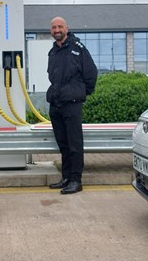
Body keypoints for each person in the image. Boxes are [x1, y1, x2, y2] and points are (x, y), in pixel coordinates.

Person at [46, 17, 98, 194]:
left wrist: (80, 93)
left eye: (60, 26)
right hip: (56, 104)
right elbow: (52, 76)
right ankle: (66, 177)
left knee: (75, 144)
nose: (57, 29)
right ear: (51, 31)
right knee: (64, 144)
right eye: (54, 27)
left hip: (72, 104)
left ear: (66, 28)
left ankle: (76, 180)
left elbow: (91, 74)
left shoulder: (78, 49)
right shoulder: (53, 52)